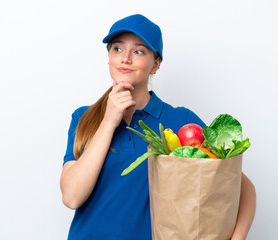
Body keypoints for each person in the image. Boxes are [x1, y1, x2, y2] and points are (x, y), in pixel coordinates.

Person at [60, 14, 256, 240]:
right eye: (118, 49)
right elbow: (72, 197)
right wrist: (108, 121)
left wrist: (237, 238)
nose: (126, 58)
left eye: (139, 51)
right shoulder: (83, 117)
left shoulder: (179, 121)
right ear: (109, 58)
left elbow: (241, 186)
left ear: (156, 64)